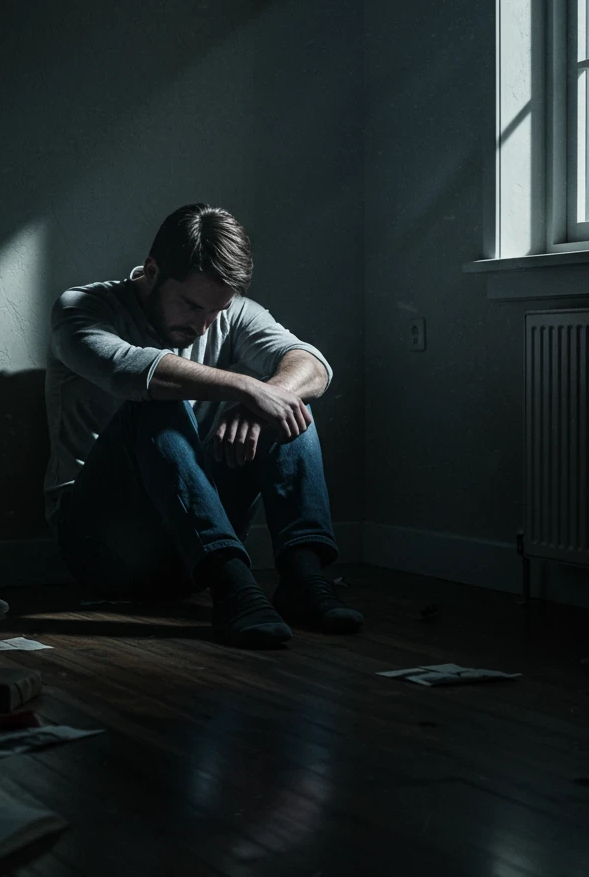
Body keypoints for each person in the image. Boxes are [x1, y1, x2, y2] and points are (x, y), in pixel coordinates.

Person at [43, 203, 363, 647]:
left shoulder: (233, 313)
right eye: (191, 306)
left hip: (191, 550)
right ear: (151, 270)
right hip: (103, 547)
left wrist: (262, 401)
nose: (202, 325)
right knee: (155, 403)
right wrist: (245, 389)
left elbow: (312, 364)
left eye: (216, 311)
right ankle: (235, 587)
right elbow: (128, 372)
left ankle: (303, 578)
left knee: (285, 406)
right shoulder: (81, 309)